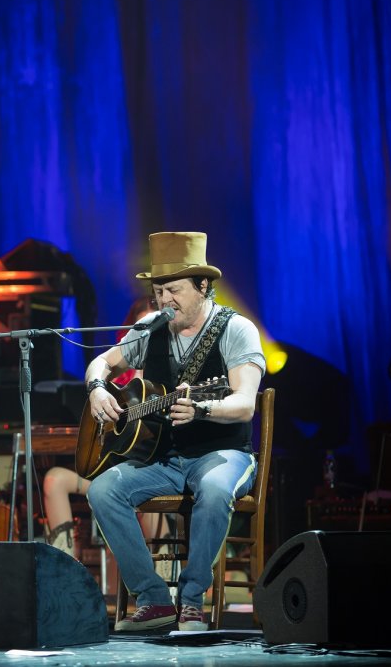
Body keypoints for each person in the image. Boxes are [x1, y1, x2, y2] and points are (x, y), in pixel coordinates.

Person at [85, 231, 264, 632]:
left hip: (224, 454)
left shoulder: (237, 329)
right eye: (158, 291)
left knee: (214, 491)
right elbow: (101, 363)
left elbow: (245, 403)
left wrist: (202, 408)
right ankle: (153, 600)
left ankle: (192, 602)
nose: (165, 300)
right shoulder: (149, 329)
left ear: (203, 286)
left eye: (174, 290)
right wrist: (96, 388)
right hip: (164, 459)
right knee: (102, 490)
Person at [43, 295, 160, 558]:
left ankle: (160, 571)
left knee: (144, 506)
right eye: (140, 327)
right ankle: (66, 569)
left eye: (153, 327)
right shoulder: (116, 380)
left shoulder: (167, 377)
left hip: (144, 474)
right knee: (53, 480)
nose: (146, 335)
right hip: (107, 470)